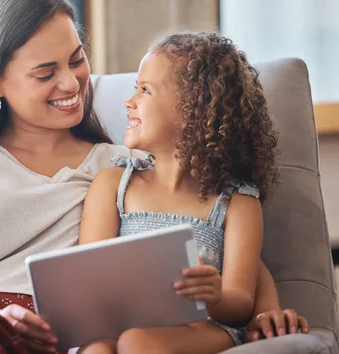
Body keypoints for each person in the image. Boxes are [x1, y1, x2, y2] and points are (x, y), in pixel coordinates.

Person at [0, 0, 308, 354]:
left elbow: (210, 236)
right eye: (45, 73)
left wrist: (264, 309)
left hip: (53, 337)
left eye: (76, 60)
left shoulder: (123, 169)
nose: (70, 82)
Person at [78, 32, 306, 353]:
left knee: (136, 343)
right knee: (96, 348)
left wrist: (213, 297)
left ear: (192, 107)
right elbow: (87, 276)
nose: (129, 102)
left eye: (145, 90)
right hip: (125, 323)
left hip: (205, 328)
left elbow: (241, 303)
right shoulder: (112, 185)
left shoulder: (237, 203)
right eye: (135, 89)